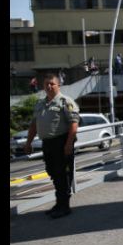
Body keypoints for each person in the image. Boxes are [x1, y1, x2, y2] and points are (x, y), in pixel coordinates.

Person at [24, 73, 80, 219]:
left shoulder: (65, 102)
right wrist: (28, 142)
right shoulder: (40, 104)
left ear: (58, 85)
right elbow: (34, 125)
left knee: (63, 176)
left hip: (61, 142)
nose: (49, 86)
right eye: (46, 84)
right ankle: (59, 203)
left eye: (52, 84)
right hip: (47, 143)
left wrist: (68, 145)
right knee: (53, 174)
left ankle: (64, 207)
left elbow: (74, 125)